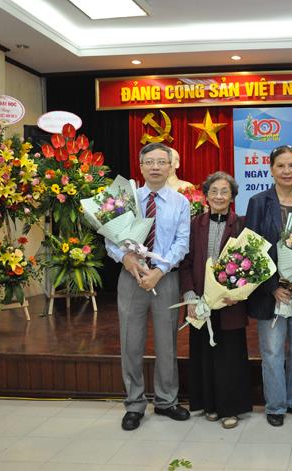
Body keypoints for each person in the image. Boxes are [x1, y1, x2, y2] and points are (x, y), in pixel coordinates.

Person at [105, 142, 191, 431]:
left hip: (165, 279)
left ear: (171, 166)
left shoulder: (181, 202)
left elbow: (182, 242)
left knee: (167, 342)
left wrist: (160, 271)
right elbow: (110, 238)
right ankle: (134, 403)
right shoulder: (123, 198)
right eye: (149, 162)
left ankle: (167, 400)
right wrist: (125, 258)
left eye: (161, 162)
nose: (155, 167)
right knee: (131, 342)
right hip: (130, 278)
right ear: (140, 166)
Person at [245, 145, 292, 427]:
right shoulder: (258, 202)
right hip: (272, 294)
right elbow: (252, 249)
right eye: (281, 166)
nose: (287, 171)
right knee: (273, 351)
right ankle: (275, 405)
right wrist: (273, 287)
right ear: (271, 169)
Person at [180, 172, 251, 429]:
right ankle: (209, 405)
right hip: (200, 302)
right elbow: (185, 264)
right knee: (204, 355)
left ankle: (230, 409)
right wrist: (190, 298)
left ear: (232, 197)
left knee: (230, 357)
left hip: (231, 303)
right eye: (214, 191)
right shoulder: (194, 224)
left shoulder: (242, 225)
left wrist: (237, 293)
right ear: (206, 195)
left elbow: (250, 264)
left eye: (224, 192)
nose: (219, 196)